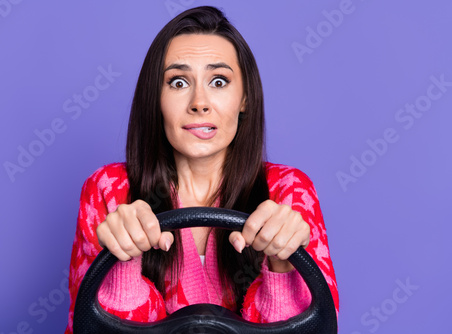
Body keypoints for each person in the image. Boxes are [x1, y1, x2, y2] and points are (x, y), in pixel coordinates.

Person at [65, 6, 339, 333]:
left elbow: (319, 327)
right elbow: (88, 327)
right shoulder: (109, 190)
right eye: (178, 82)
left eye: (219, 81)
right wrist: (123, 267)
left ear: (245, 99)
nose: (199, 102)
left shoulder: (289, 191)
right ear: (156, 98)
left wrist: (282, 267)